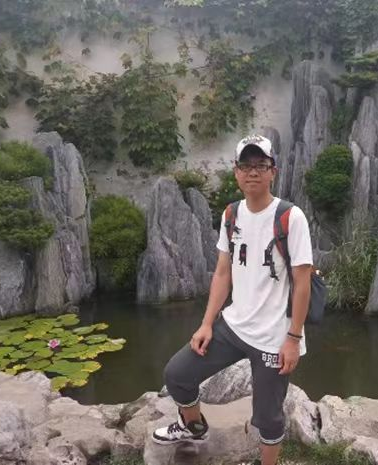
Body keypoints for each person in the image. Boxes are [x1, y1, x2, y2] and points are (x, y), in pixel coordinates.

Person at [152, 134, 313, 465]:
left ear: (273, 172)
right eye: (246, 165)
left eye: (261, 165)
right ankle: (193, 426)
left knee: (268, 416)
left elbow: (302, 282)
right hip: (234, 325)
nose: (253, 172)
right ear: (236, 172)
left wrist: (293, 339)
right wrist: (207, 324)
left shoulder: (290, 217)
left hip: (274, 337)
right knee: (178, 374)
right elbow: (223, 273)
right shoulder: (231, 215)